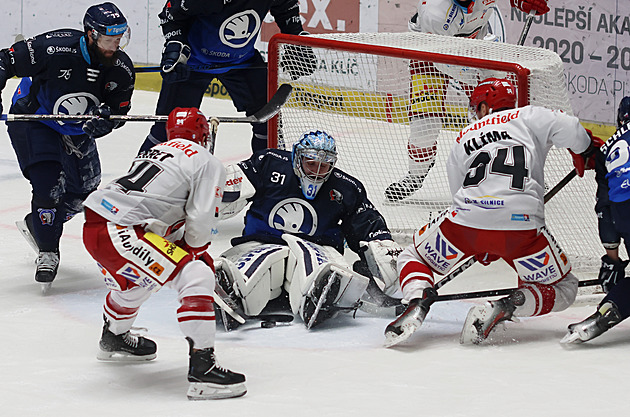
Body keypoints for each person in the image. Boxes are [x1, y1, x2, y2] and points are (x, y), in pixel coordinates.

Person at [384, 78, 601, 347]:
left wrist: (479, 238)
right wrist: (586, 149)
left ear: (485, 107)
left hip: (466, 222)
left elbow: (457, 190)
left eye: (477, 107)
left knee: (414, 255)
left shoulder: (466, 134)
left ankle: (418, 298)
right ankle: (510, 305)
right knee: (565, 288)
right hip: (522, 230)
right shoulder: (529, 115)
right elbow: (570, 127)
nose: (475, 113)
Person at [82, 107, 247, 400]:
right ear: (204, 136)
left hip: (98, 225)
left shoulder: (158, 150)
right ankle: (203, 370)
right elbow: (198, 224)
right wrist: (196, 254)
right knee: (196, 274)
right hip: (123, 229)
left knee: (140, 281)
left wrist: (184, 248)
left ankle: (114, 337)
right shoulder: (206, 160)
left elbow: (158, 208)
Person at [0, 2, 135, 289]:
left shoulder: (121, 68)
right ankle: (48, 250)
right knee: (48, 184)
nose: (115, 46)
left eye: (119, 39)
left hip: (76, 129)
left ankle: (40, 222)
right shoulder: (54, 48)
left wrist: (106, 122)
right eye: (109, 40)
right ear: (90, 34)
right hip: (35, 119)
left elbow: (118, 112)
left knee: (84, 192)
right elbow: (3, 61)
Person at [215, 130, 403, 330]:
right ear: (297, 157)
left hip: (318, 247)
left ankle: (321, 291)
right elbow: (231, 184)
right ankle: (231, 287)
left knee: (314, 262)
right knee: (259, 259)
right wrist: (216, 192)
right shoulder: (269, 163)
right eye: (311, 163)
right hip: (260, 242)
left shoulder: (346, 187)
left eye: (324, 166)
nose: (316, 171)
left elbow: (368, 224)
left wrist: (385, 251)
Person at [385, 0, 550, 202]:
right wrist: (481, 86)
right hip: (429, 54)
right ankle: (415, 175)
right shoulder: (435, 12)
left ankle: (521, 169)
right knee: (424, 129)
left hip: (477, 45)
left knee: (501, 112)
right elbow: (446, 62)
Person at [137, 0, 316, 155]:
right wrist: (175, 45)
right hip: (193, 64)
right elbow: (170, 15)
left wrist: (295, 39)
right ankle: (137, 182)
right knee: (167, 127)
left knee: (270, 125)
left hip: (242, 63)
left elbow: (286, 8)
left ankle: (273, 180)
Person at [561, 97, 630, 344]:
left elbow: (604, 208)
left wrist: (612, 260)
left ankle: (604, 313)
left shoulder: (608, 149)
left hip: (624, 212)